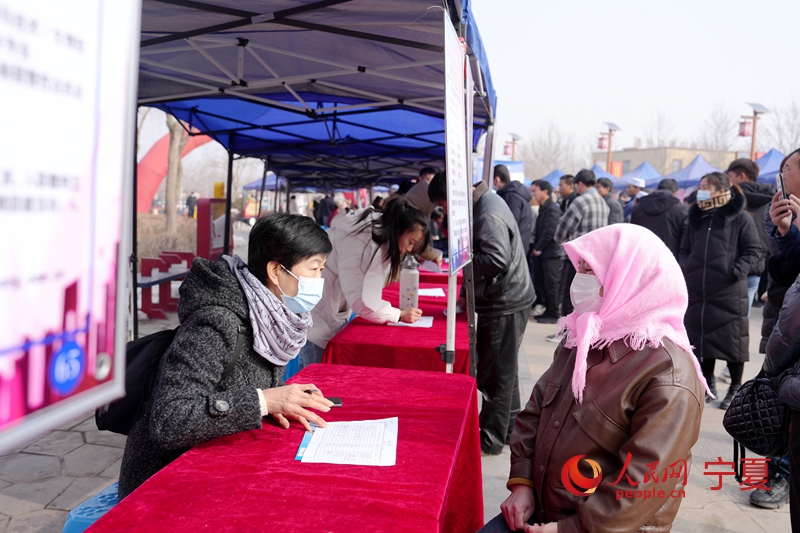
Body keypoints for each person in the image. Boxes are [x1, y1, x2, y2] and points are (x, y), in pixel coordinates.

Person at [480, 224, 706, 533]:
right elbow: (535, 411)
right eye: (580, 268)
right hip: (543, 509)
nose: (579, 279)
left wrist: (568, 529)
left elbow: (644, 482)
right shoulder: (585, 335)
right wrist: (523, 483)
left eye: (591, 270)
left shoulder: (668, 373)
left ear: (628, 278)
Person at [118, 213, 335, 499]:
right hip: (164, 481)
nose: (319, 280)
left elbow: (238, 383)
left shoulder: (272, 317)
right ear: (275, 271)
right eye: (314, 269)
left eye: (322, 269)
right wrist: (264, 401)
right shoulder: (217, 322)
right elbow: (170, 419)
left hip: (216, 465)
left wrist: (282, 398)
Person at [428, 172, 535, 456]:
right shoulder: (484, 204)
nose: (446, 212)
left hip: (505, 299)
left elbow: (496, 258)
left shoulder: (487, 212)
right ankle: (507, 429)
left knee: (496, 373)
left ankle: (490, 438)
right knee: (504, 370)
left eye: (444, 205)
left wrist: (462, 262)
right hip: (505, 296)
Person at [300, 198, 429, 368]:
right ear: (398, 230)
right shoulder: (361, 243)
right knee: (313, 375)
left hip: (323, 308)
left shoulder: (374, 233)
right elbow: (363, 301)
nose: (409, 249)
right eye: (411, 242)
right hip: (319, 317)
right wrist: (397, 315)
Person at [678, 172, 760, 408]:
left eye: (706, 186)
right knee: (702, 339)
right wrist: (687, 268)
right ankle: (709, 384)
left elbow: (754, 250)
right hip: (698, 290)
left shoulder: (740, 218)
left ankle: (735, 387)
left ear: (722, 191)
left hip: (729, 290)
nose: (701, 191)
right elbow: (684, 249)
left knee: (732, 341)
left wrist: (735, 271)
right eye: (701, 186)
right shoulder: (696, 217)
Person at [552, 169, 609, 338]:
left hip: (578, 259)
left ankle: (567, 332)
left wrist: (559, 241)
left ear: (580, 184)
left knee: (568, 294)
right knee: (591, 298)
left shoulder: (581, 201)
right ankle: (584, 331)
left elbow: (563, 229)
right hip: (596, 261)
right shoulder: (603, 203)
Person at [726, 158, 772, 313]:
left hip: (732, 267)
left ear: (742, 176)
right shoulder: (772, 199)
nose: (728, 181)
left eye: (730, 176)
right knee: (743, 317)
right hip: (757, 266)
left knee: (725, 318)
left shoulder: (731, 198)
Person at [630, 178, 688, 259]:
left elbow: (633, 235)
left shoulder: (638, 208)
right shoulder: (682, 210)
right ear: (675, 192)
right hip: (670, 259)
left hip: (642, 257)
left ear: (657, 189)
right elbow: (685, 240)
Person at [530, 180, 561, 324]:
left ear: (545, 191)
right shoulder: (544, 208)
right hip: (543, 254)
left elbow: (550, 231)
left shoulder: (552, 209)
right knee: (543, 283)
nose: (533, 194)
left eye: (535, 190)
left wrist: (538, 247)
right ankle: (548, 311)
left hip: (551, 253)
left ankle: (553, 314)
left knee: (551, 284)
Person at [494, 164, 534, 244]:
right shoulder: (517, 193)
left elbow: (510, 224)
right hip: (521, 243)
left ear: (497, 180)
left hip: (514, 245)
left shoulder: (511, 196)